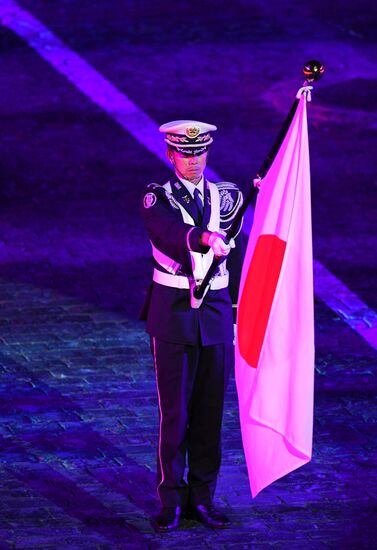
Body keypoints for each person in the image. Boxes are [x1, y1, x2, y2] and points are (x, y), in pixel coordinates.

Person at [140, 120, 244, 532]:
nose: (194, 160)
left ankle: (203, 498)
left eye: (200, 152)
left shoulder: (226, 196)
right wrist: (203, 238)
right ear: (171, 154)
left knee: (209, 412)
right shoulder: (156, 197)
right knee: (176, 413)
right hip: (175, 312)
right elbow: (168, 233)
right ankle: (171, 501)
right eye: (185, 153)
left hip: (215, 310)